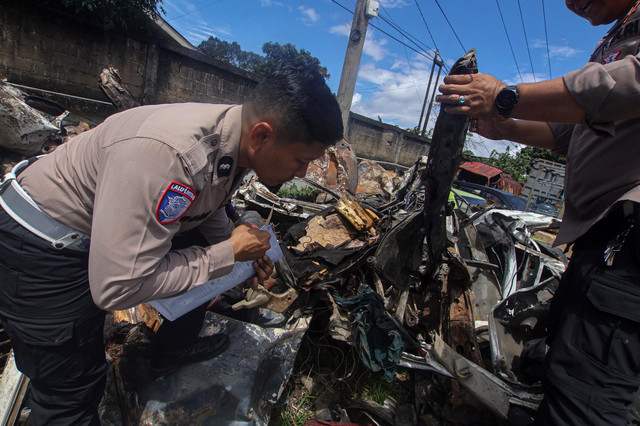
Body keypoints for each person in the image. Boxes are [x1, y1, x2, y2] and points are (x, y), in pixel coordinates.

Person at [0, 62, 343, 425]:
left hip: (91, 233)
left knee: (205, 246)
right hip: (41, 244)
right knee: (71, 390)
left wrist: (239, 252)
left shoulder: (233, 137)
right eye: (302, 160)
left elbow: (204, 201)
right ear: (262, 136)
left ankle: (171, 350)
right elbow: (115, 287)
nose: (304, 174)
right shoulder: (171, 155)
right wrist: (227, 252)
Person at [437, 0, 640, 424]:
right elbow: (570, 130)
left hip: (630, 241)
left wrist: (504, 97)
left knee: (585, 397)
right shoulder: (616, 35)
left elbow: (621, 87)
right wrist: (504, 124)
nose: (572, 2)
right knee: (560, 360)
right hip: (600, 239)